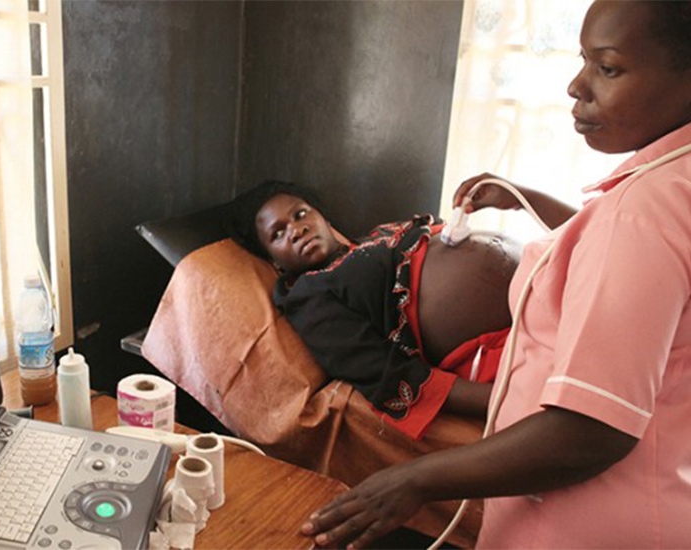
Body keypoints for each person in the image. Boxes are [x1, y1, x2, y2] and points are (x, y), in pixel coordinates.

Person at [300, 1, 691, 548]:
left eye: (607, 67)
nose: (576, 86)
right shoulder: (313, 290)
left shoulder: (642, 211)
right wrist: (525, 201)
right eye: (584, 61)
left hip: (586, 522)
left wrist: (417, 478)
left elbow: (592, 429)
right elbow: (379, 365)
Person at [231, 180, 521, 440]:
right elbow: (381, 371)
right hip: (504, 346)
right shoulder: (309, 295)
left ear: (324, 218)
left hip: (542, 288)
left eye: (301, 214)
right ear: (276, 263)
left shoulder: (375, 237)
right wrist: (500, 399)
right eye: (278, 234)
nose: (296, 230)